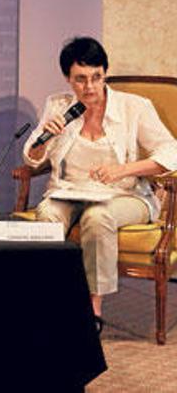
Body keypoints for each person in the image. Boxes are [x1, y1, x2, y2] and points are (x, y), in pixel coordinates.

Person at [23, 37, 177, 329]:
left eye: (97, 77)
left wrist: (124, 169)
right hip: (67, 192)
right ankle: (51, 299)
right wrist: (46, 134)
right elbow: (32, 158)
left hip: (124, 194)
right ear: (68, 79)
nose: (90, 87)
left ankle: (93, 309)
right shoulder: (58, 105)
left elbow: (173, 151)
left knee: (98, 217)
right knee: (46, 216)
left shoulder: (134, 107)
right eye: (81, 80)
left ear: (105, 73)